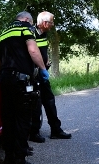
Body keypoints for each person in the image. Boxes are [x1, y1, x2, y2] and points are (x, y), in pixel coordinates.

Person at [0, 11, 50, 164]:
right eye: (31, 22)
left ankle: (9, 160)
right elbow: (33, 50)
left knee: (8, 119)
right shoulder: (26, 28)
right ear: (26, 19)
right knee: (23, 119)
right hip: (21, 81)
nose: (32, 25)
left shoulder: (3, 34)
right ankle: (20, 161)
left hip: (5, 80)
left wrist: (1, 80)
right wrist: (42, 69)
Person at [29, 11, 72, 141]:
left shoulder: (44, 33)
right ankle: (34, 133)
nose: (53, 25)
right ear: (45, 23)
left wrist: (46, 61)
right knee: (36, 104)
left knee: (50, 102)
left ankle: (56, 130)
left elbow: (42, 50)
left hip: (42, 73)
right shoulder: (31, 34)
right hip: (33, 75)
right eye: (52, 22)